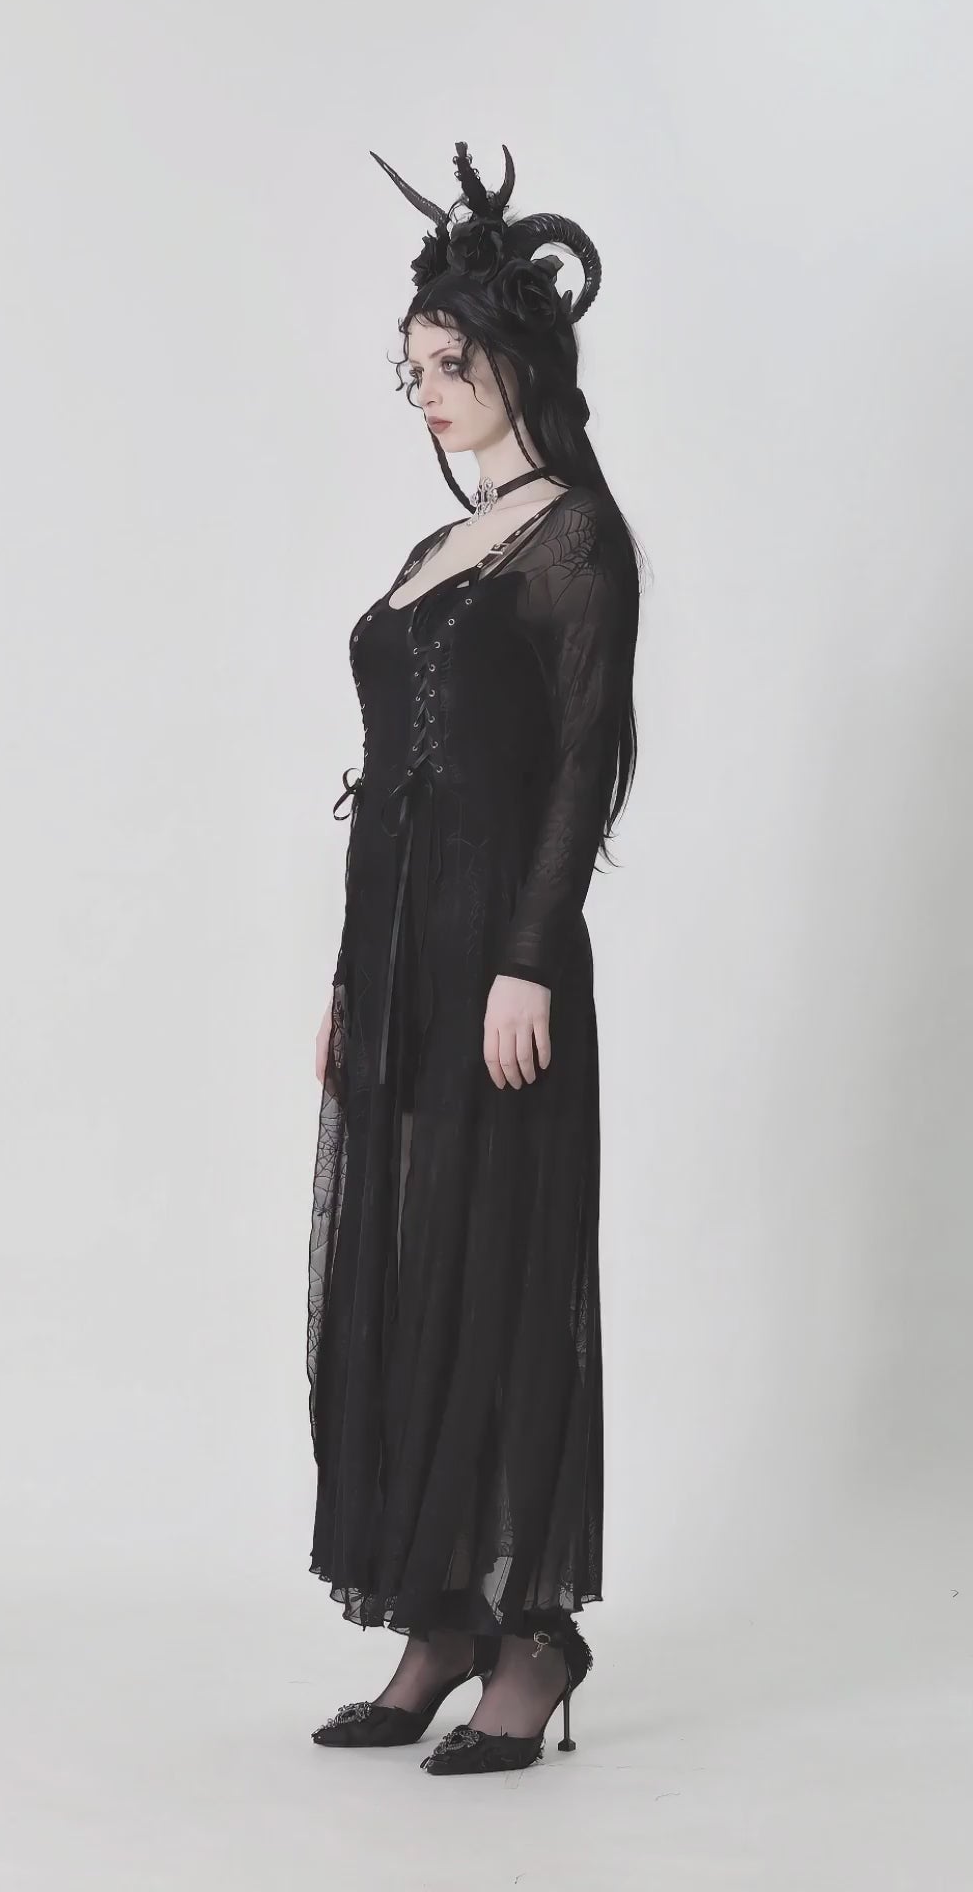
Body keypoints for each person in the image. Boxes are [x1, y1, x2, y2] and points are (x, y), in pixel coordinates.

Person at [306, 140, 642, 1776]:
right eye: (414, 370)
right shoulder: (435, 550)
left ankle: (534, 1636)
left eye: (447, 364)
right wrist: (347, 980)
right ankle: (438, 1612)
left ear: (518, 358)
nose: (427, 393)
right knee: (411, 1262)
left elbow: (583, 766)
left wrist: (528, 959)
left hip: (501, 958)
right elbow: (390, 780)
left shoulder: (575, 538)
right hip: (400, 959)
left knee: (499, 1265)